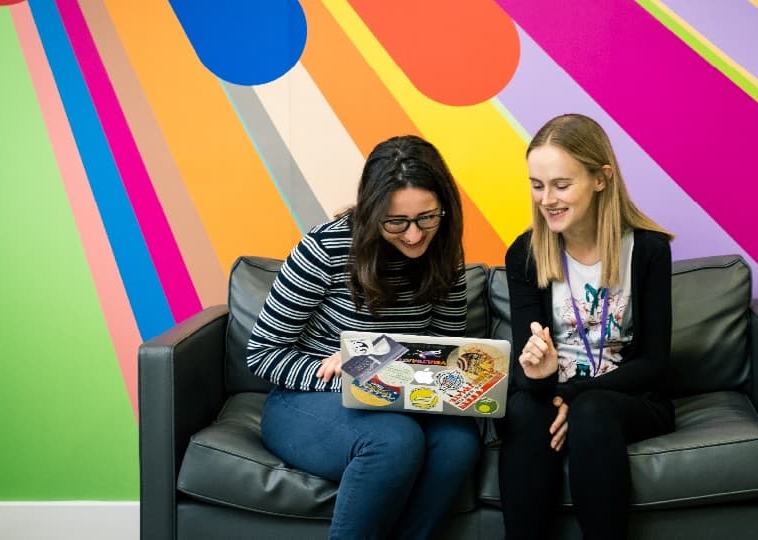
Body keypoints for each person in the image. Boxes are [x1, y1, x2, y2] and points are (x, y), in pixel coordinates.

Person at [247, 135, 480, 540]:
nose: (414, 235)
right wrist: (346, 373)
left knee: (458, 444)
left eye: (427, 218)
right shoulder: (326, 247)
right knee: (394, 441)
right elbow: (263, 353)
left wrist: (377, 363)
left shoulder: (444, 252)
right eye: (396, 222)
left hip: (401, 397)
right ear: (372, 211)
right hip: (311, 397)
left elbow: (443, 350)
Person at [499, 114, 676, 539]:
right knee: (524, 411)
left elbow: (654, 363)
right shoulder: (525, 254)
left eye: (561, 185)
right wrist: (540, 376)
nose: (547, 200)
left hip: (626, 396)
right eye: (537, 185)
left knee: (592, 412)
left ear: (601, 178)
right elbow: (527, 372)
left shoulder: (648, 250)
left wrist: (574, 396)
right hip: (550, 392)